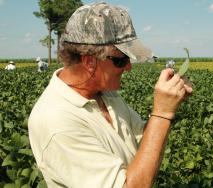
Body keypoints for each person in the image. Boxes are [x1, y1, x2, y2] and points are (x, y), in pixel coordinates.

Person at [28, 2, 193, 188]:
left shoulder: (106, 93)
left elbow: (144, 143)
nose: (129, 67)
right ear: (90, 61)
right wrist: (162, 113)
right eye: (121, 60)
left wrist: (169, 105)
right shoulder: (56, 122)